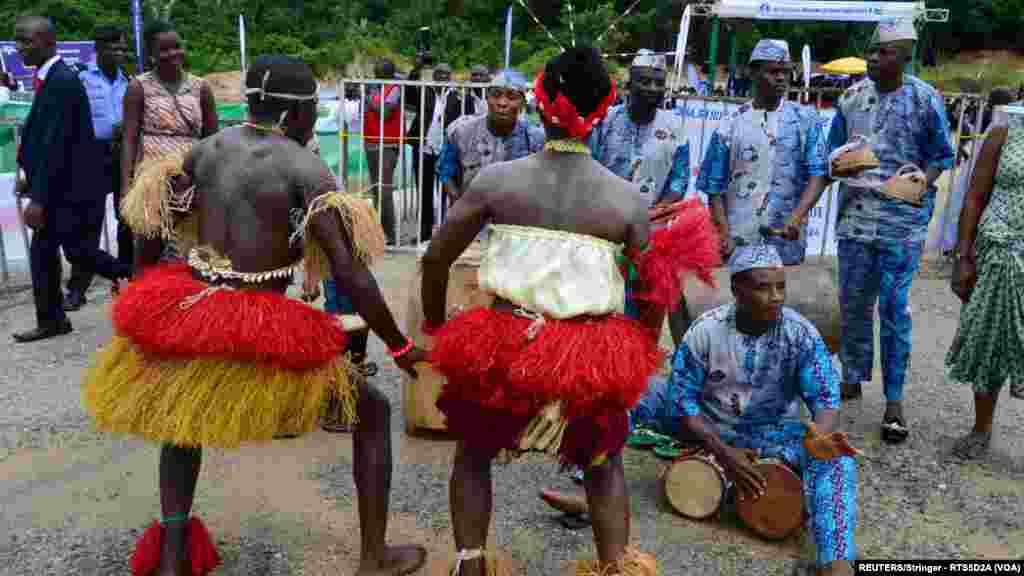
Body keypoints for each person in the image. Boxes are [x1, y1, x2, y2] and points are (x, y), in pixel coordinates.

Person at [83, 55, 428, 576]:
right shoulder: (304, 167)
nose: (314, 118)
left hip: (194, 310)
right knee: (374, 412)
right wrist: (398, 345)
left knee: (182, 418)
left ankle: (173, 558)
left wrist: (143, 291)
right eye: (312, 109)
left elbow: (151, 226)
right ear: (293, 113)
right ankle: (374, 557)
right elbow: (351, 274)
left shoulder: (206, 149)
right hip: (257, 326)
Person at [421, 46, 720, 576]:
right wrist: (635, 353)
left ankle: (470, 565)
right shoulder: (626, 200)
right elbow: (654, 292)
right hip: (588, 356)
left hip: (503, 346)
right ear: (603, 112)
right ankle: (615, 567)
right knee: (603, 465)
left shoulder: (496, 181)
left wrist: (435, 326)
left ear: (539, 106)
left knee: (473, 453)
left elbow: (436, 259)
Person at [541, 245, 860, 576]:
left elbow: (825, 399)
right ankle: (592, 496)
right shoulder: (706, 330)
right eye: (763, 288)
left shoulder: (800, 333)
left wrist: (820, 436)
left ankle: (836, 562)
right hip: (706, 426)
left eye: (781, 287)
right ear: (737, 290)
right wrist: (723, 452)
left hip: (773, 435)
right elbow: (682, 405)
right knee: (620, 393)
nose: (776, 297)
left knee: (835, 459)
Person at [802, 19, 955, 443]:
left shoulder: (925, 99)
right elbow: (829, 157)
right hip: (855, 221)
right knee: (852, 304)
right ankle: (851, 377)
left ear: (904, 57)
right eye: (871, 50)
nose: (872, 58)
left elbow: (942, 154)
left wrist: (922, 181)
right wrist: (841, 164)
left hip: (901, 225)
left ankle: (894, 400)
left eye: (883, 52)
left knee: (893, 309)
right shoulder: (851, 98)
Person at [12, 15, 132, 343]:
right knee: (68, 251)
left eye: (26, 40)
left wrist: (38, 198)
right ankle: (54, 319)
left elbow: (56, 145)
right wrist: (30, 177)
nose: (20, 47)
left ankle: (140, 280)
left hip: (66, 190)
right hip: (63, 186)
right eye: (17, 40)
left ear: (49, 42)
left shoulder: (62, 81)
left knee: (73, 252)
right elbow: (44, 139)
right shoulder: (53, 78)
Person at [591, 49, 692, 346]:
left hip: (653, 233)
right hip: (606, 232)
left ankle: (643, 358)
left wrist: (658, 211)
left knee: (647, 310)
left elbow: (680, 179)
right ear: (628, 85)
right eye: (645, 81)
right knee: (605, 307)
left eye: (659, 83)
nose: (652, 88)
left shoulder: (675, 126)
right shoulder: (605, 122)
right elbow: (590, 167)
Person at [698, 39, 829, 266]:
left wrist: (796, 217)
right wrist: (724, 233)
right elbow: (714, 185)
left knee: (778, 288)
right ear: (753, 73)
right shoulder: (731, 123)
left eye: (785, 72)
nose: (781, 78)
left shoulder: (806, 119)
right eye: (773, 71)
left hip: (785, 239)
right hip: (740, 239)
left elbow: (819, 174)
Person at [946, 107, 1024, 459]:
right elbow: (975, 196)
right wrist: (964, 256)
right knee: (987, 342)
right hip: (997, 253)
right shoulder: (1004, 135)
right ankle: (981, 428)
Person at [121, 19, 218, 264]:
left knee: (193, 251)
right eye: (164, 49)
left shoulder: (201, 87)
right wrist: (126, 185)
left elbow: (212, 139)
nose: (173, 53)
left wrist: (213, 180)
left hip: (191, 178)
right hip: (153, 181)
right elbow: (129, 138)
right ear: (151, 54)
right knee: (149, 249)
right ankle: (143, 285)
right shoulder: (138, 87)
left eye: (176, 47)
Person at [64, 25, 133, 310]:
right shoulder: (80, 76)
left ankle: (126, 281)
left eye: (122, 48)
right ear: (99, 48)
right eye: (114, 47)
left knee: (126, 220)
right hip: (89, 156)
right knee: (89, 225)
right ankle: (77, 289)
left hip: (121, 155)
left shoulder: (129, 79)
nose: (119, 53)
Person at [436, 69, 545, 205]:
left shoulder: (535, 139)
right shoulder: (462, 131)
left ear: (522, 103)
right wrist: (459, 204)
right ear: (487, 98)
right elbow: (445, 170)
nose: (502, 103)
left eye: (511, 97)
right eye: (496, 95)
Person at [363, 58, 406, 245]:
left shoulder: (395, 88)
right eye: (376, 72)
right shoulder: (373, 87)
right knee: (376, 189)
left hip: (388, 143)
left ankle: (391, 234)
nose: (376, 74)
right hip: (371, 141)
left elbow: (385, 112)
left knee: (384, 189)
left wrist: (368, 97)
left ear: (388, 73)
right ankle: (380, 232)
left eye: (380, 72)